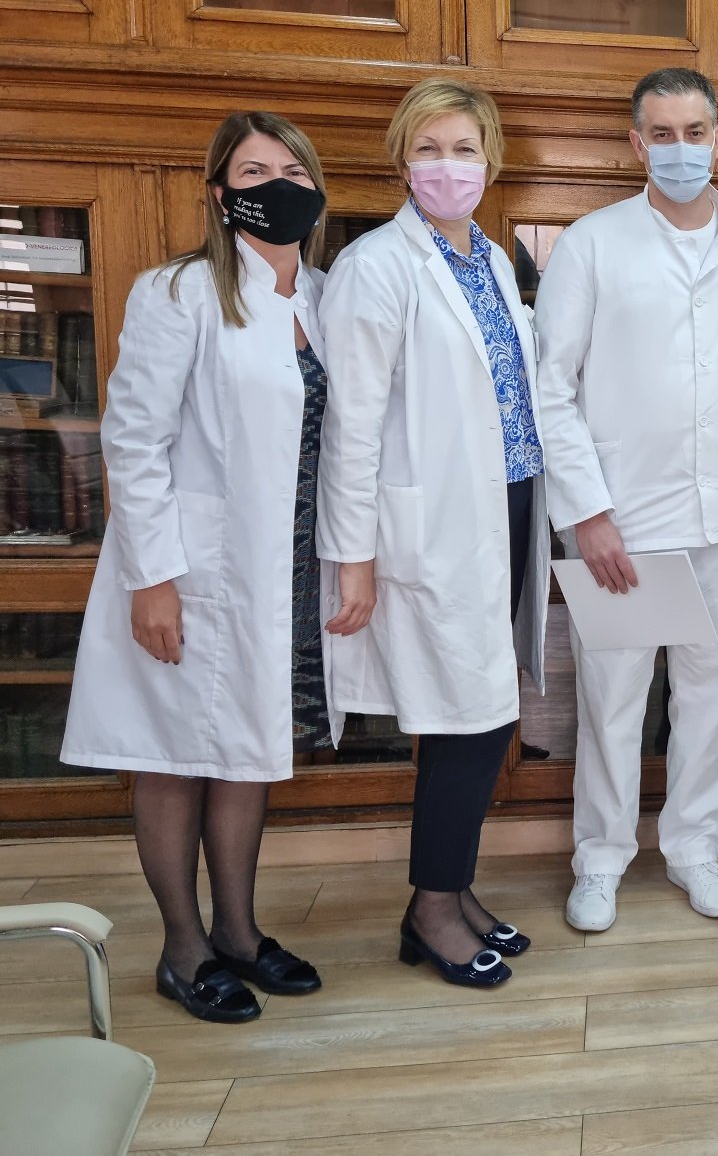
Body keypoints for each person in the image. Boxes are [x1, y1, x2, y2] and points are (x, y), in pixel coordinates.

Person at [61, 112, 334, 1022]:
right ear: (220, 195)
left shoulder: (325, 297)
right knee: (175, 755)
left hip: (285, 564)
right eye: (253, 171)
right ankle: (183, 949)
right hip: (189, 566)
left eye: (292, 168)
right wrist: (151, 579)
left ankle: (240, 934)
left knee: (246, 749)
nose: (276, 184)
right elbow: (133, 439)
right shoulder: (177, 291)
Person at [535, 67, 718, 933]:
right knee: (613, 696)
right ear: (637, 144)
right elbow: (551, 386)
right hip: (625, 516)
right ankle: (600, 859)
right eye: (663, 134)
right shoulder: (591, 244)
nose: (682, 149)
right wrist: (587, 511)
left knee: (712, 691)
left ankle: (694, 847)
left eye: (695, 132)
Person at [318, 78, 549, 987]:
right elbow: (351, 426)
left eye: (463, 149)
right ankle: (431, 909)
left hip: (509, 503)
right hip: (436, 522)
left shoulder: (490, 259)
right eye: (428, 149)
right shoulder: (378, 265)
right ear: (401, 161)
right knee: (465, 719)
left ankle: (453, 889)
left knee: (488, 714)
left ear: (490, 160)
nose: (447, 166)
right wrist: (354, 558)